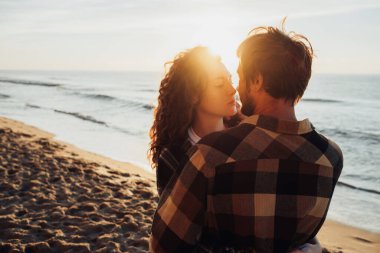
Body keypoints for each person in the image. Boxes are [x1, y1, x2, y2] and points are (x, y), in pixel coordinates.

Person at [149, 22, 343, 253]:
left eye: (237, 77)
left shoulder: (209, 155)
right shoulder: (331, 159)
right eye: (220, 83)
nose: (235, 89)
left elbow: (164, 245)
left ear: (258, 80)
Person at [148, 46, 239, 197]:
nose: (232, 90)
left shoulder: (245, 135)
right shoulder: (173, 156)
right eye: (219, 84)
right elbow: (170, 217)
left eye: (231, 81)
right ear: (193, 95)